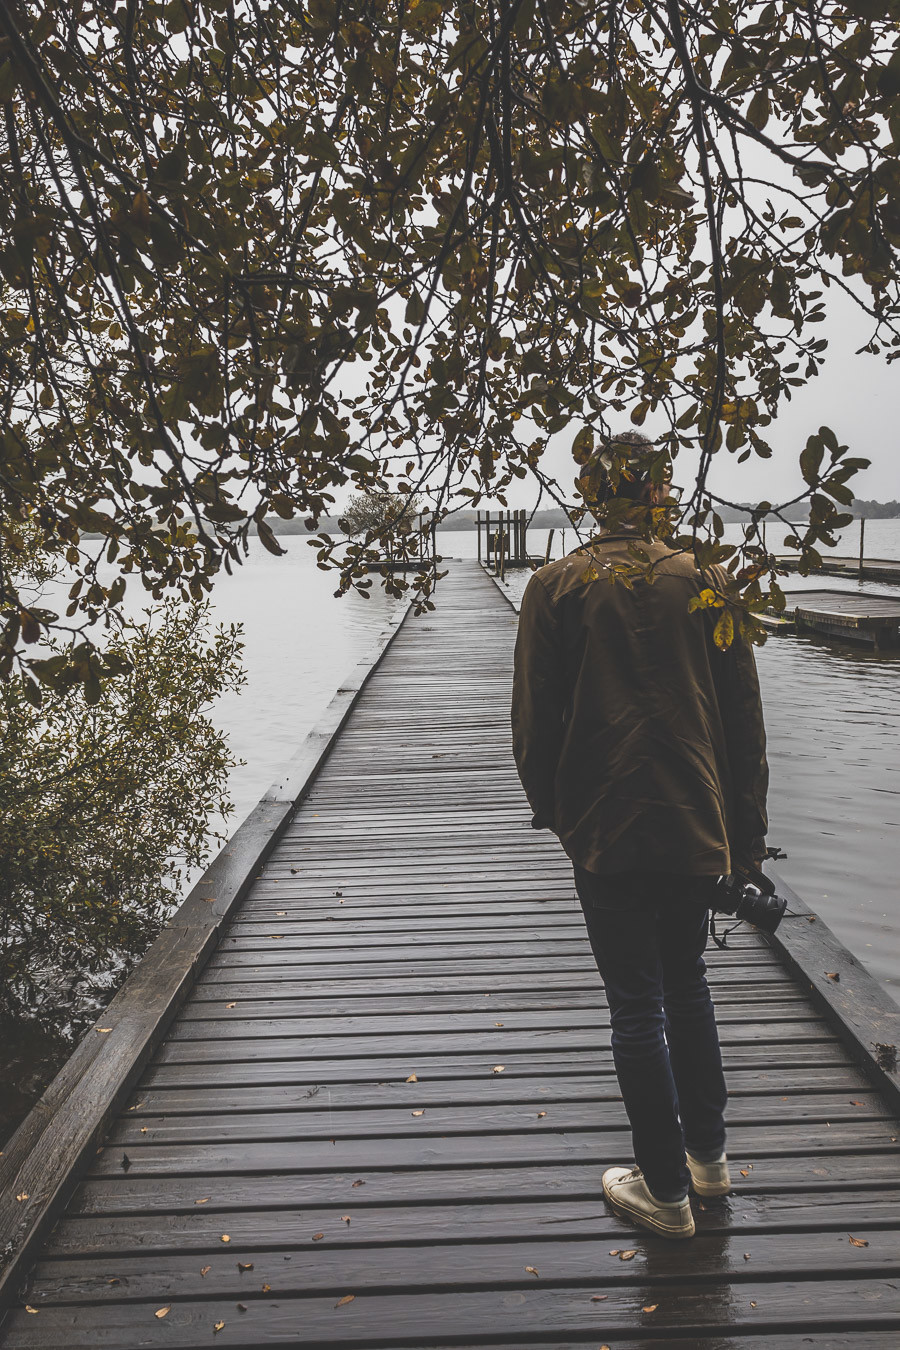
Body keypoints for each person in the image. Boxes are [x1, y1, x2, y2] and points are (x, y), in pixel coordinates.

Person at [511, 431, 769, 1240]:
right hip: (697, 818)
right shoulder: (706, 581)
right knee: (686, 982)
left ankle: (663, 1193)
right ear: (660, 493)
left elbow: (532, 721)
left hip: (608, 825)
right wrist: (746, 840)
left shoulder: (557, 584)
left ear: (592, 494)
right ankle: (709, 1166)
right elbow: (743, 723)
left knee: (636, 1002)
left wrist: (555, 810)